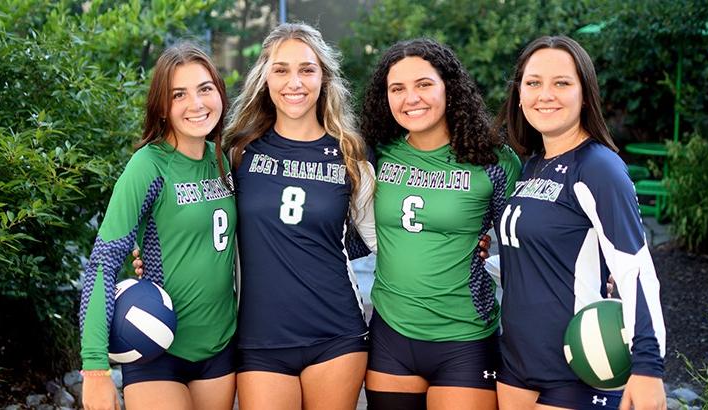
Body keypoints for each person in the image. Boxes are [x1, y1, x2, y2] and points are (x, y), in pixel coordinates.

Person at [492, 35, 666, 410]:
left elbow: (634, 267)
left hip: (578, 366)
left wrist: (648, 366)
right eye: (533, 82)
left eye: (562, 83)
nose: (545, 94)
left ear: (585, 94)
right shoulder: (532, 164)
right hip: (516, 365)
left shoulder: (598, 167)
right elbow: (545, 255)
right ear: (519, 95)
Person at [360, 38, 521, 410]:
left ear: (449, 86)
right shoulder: (377, 153)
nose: (410, 98)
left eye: (424, 84)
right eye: (397, 88)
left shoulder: (493, 161)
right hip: (390, 336)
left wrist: (488, 251)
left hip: (464, 338)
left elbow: (525, 236)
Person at [79, 43, 239, 410]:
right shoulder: (148, 166)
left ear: (219, 92)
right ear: (162, 108)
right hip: (155, 347)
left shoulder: (227, 160)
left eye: (204, 89)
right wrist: (95, 367)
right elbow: (104, 260)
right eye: (178, 95)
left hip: (219, 346)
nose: (196, 104)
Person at [226, 23, 376, 410]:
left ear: (323, 77)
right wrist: (155, 256)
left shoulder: (350, 159)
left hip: (337, 335)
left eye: (307, 69)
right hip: (260, 339)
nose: (295, 82)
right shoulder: (237, 154)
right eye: (281, 69)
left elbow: (388, 244)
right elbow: (200, 224)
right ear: (264, 78)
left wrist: (464, 242)